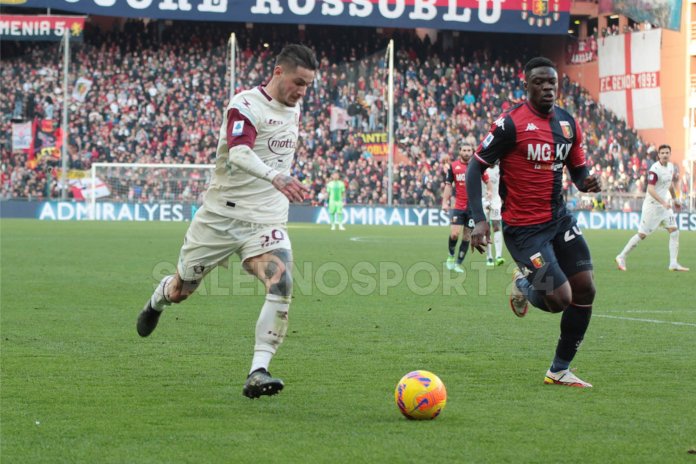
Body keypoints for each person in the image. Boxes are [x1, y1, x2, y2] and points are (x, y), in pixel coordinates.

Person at [136, 44, 319, 399]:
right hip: (221, 217)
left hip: (266, 218)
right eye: (298, 82)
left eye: (308, 86)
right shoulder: (245, 105)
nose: (302, 92)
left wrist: (275, 185)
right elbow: (239, 152)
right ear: (278, 72)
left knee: (281, 283)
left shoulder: (294, 108)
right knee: (182, 290)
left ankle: (258, 370)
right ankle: (158, 298)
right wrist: (276, 177)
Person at [466, 57, 601, 388]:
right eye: (539, 82)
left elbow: (578, 171)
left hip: (558, 219)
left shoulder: (568, 124)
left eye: (552, 82)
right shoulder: (510, 124)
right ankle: (522, 285)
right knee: (560, 299)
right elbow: (474, 167)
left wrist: (587, 183)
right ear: (526, 86)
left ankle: (559, 371)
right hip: (525, 229)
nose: (547, 88)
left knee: (585, 288)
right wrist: (479, 220)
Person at [616, 145, 688, 271]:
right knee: (642, 235)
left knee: (675, 231)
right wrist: (663, 201)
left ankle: (673, 263)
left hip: (664, 207)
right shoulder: (655, 169)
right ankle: (621, 256)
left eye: (667, 153)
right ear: (658, 155)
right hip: (652, 207)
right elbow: (650, 189)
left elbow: (669, 184)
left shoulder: (670, 167)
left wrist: (675, 200)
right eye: (662, 153)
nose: (665, 155)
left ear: (670, 154)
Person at [442, 143, 491, 273]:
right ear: (459, 151)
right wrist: (444, 202)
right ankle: (451, 256)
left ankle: (458, 263)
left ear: (472, 151)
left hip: (472, 208)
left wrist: (490, 192)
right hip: (458, 206)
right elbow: (448, 185)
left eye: (469, 150)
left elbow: (488, 181)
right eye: (464, 150)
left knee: (466, 237)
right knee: (454, 234)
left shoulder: (477, 166)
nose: (467, 152)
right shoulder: (453, 166)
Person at [482, 163, 505, 267]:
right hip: (483, 201)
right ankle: (489, 257)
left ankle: (498, 256)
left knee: (496, 225)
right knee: (486, 229)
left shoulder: (500, 170)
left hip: (496, 201)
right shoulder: (482, 169)